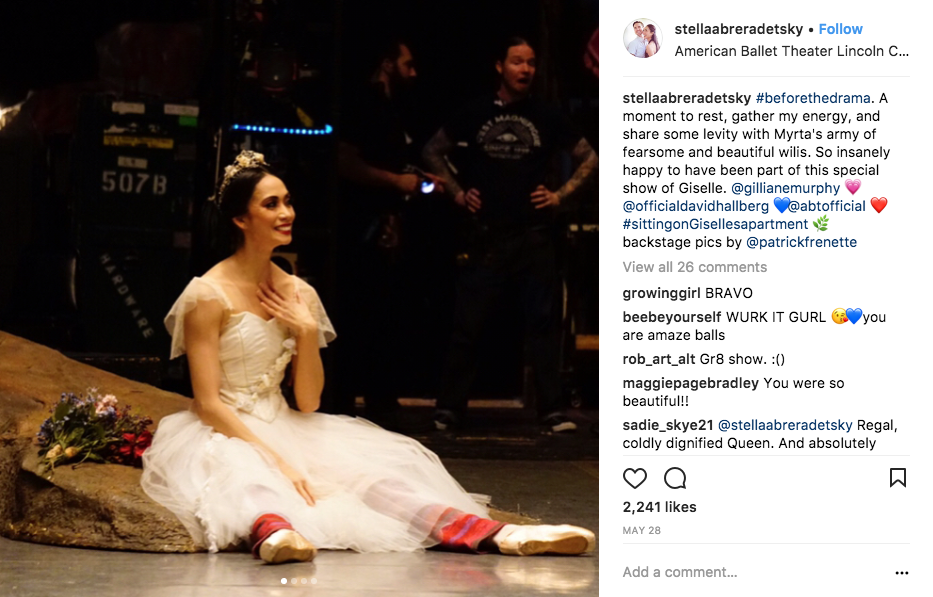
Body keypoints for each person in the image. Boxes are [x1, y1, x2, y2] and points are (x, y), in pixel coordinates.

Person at [140, 150, 595, 564]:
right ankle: (275, 533)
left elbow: (310, 402)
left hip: (287, 420)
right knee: (247, 478)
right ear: (240, 219)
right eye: (271, 204)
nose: (287, 213)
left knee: (378, 482)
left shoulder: (299, 292)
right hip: (227, 428)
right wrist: (274, 457)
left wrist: (302, 333)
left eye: (288, 201)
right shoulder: (207, 294)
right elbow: (208, 403)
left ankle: (499, 535)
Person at [422, 38, 598, 433]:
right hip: (487, 235)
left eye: (532, 63)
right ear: (499, 65)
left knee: (541, 324)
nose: (526, 69)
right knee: (469, 324)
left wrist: (560, 196)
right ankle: (449, 409)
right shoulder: (476, 111)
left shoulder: (547, 115)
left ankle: (551, 410)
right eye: (518, 62)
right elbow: (433, 150)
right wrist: (456, 192)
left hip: (533, 235)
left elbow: (590, 158)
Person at [335, 38, 444, 429]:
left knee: (383, 313)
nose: (413, 73)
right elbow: (345, 161)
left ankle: (381, 402)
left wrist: (414, 180)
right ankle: (342, 403)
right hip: (354, 225)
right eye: (408, 64)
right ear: (386, 64)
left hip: (383, 222)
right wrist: (396, 182)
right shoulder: (361, 103)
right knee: (353, 313)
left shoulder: (392, 109)